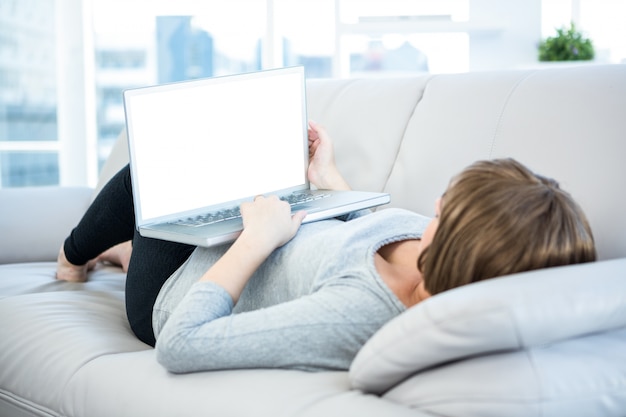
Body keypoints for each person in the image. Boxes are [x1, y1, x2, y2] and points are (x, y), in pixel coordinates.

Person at [56, 121, 596, 373]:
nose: (434, 203)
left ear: (464, 249)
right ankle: (122, 252)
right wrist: (329, 178)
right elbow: (357, 230)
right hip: (237, 240)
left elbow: (182, 343)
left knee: (152, 171)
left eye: (443, 212)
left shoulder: (361, 313)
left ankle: (72, 258)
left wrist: (257, 240)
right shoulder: (431, 257)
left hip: (176, 293)